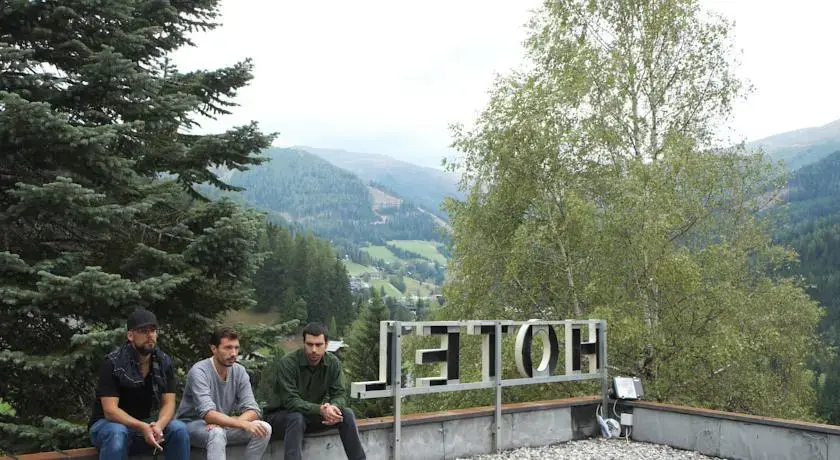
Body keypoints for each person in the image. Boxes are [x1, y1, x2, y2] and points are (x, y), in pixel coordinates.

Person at [88, 308, 190, 459]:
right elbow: (110, 411)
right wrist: (142, 427)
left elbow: (168, 403)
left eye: (153, 330)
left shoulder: (163, 362)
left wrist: (159, 426)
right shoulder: (113, 363)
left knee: (178, 429)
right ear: (130, 335)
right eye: (143, 331)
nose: (150, 335)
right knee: (117, 432)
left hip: (145, 425)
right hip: (107, 426)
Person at [263, 322, 366, 460]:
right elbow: (291, 402)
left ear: (326, 345)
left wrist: (333, 408)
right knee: (296, 418)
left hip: (311, 416)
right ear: (303, 343)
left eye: (318, 345)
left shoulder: (333, 363)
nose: (314, 350)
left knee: (346, 414)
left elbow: (340, 393)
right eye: (309, 344)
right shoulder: (288, 363)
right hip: (280, 417)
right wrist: (320, 410)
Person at [176, 326, 271, 460]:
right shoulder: (199, 371)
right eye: (228, 348)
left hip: (221, 425)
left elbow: (253, 410)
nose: (233, 353)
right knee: (217, 433)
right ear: (214, 349)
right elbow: (208, 414)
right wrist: (239, 423)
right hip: (192, 425)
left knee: (264, 428)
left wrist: (232, 422)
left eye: (236, 348)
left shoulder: (239, 371)